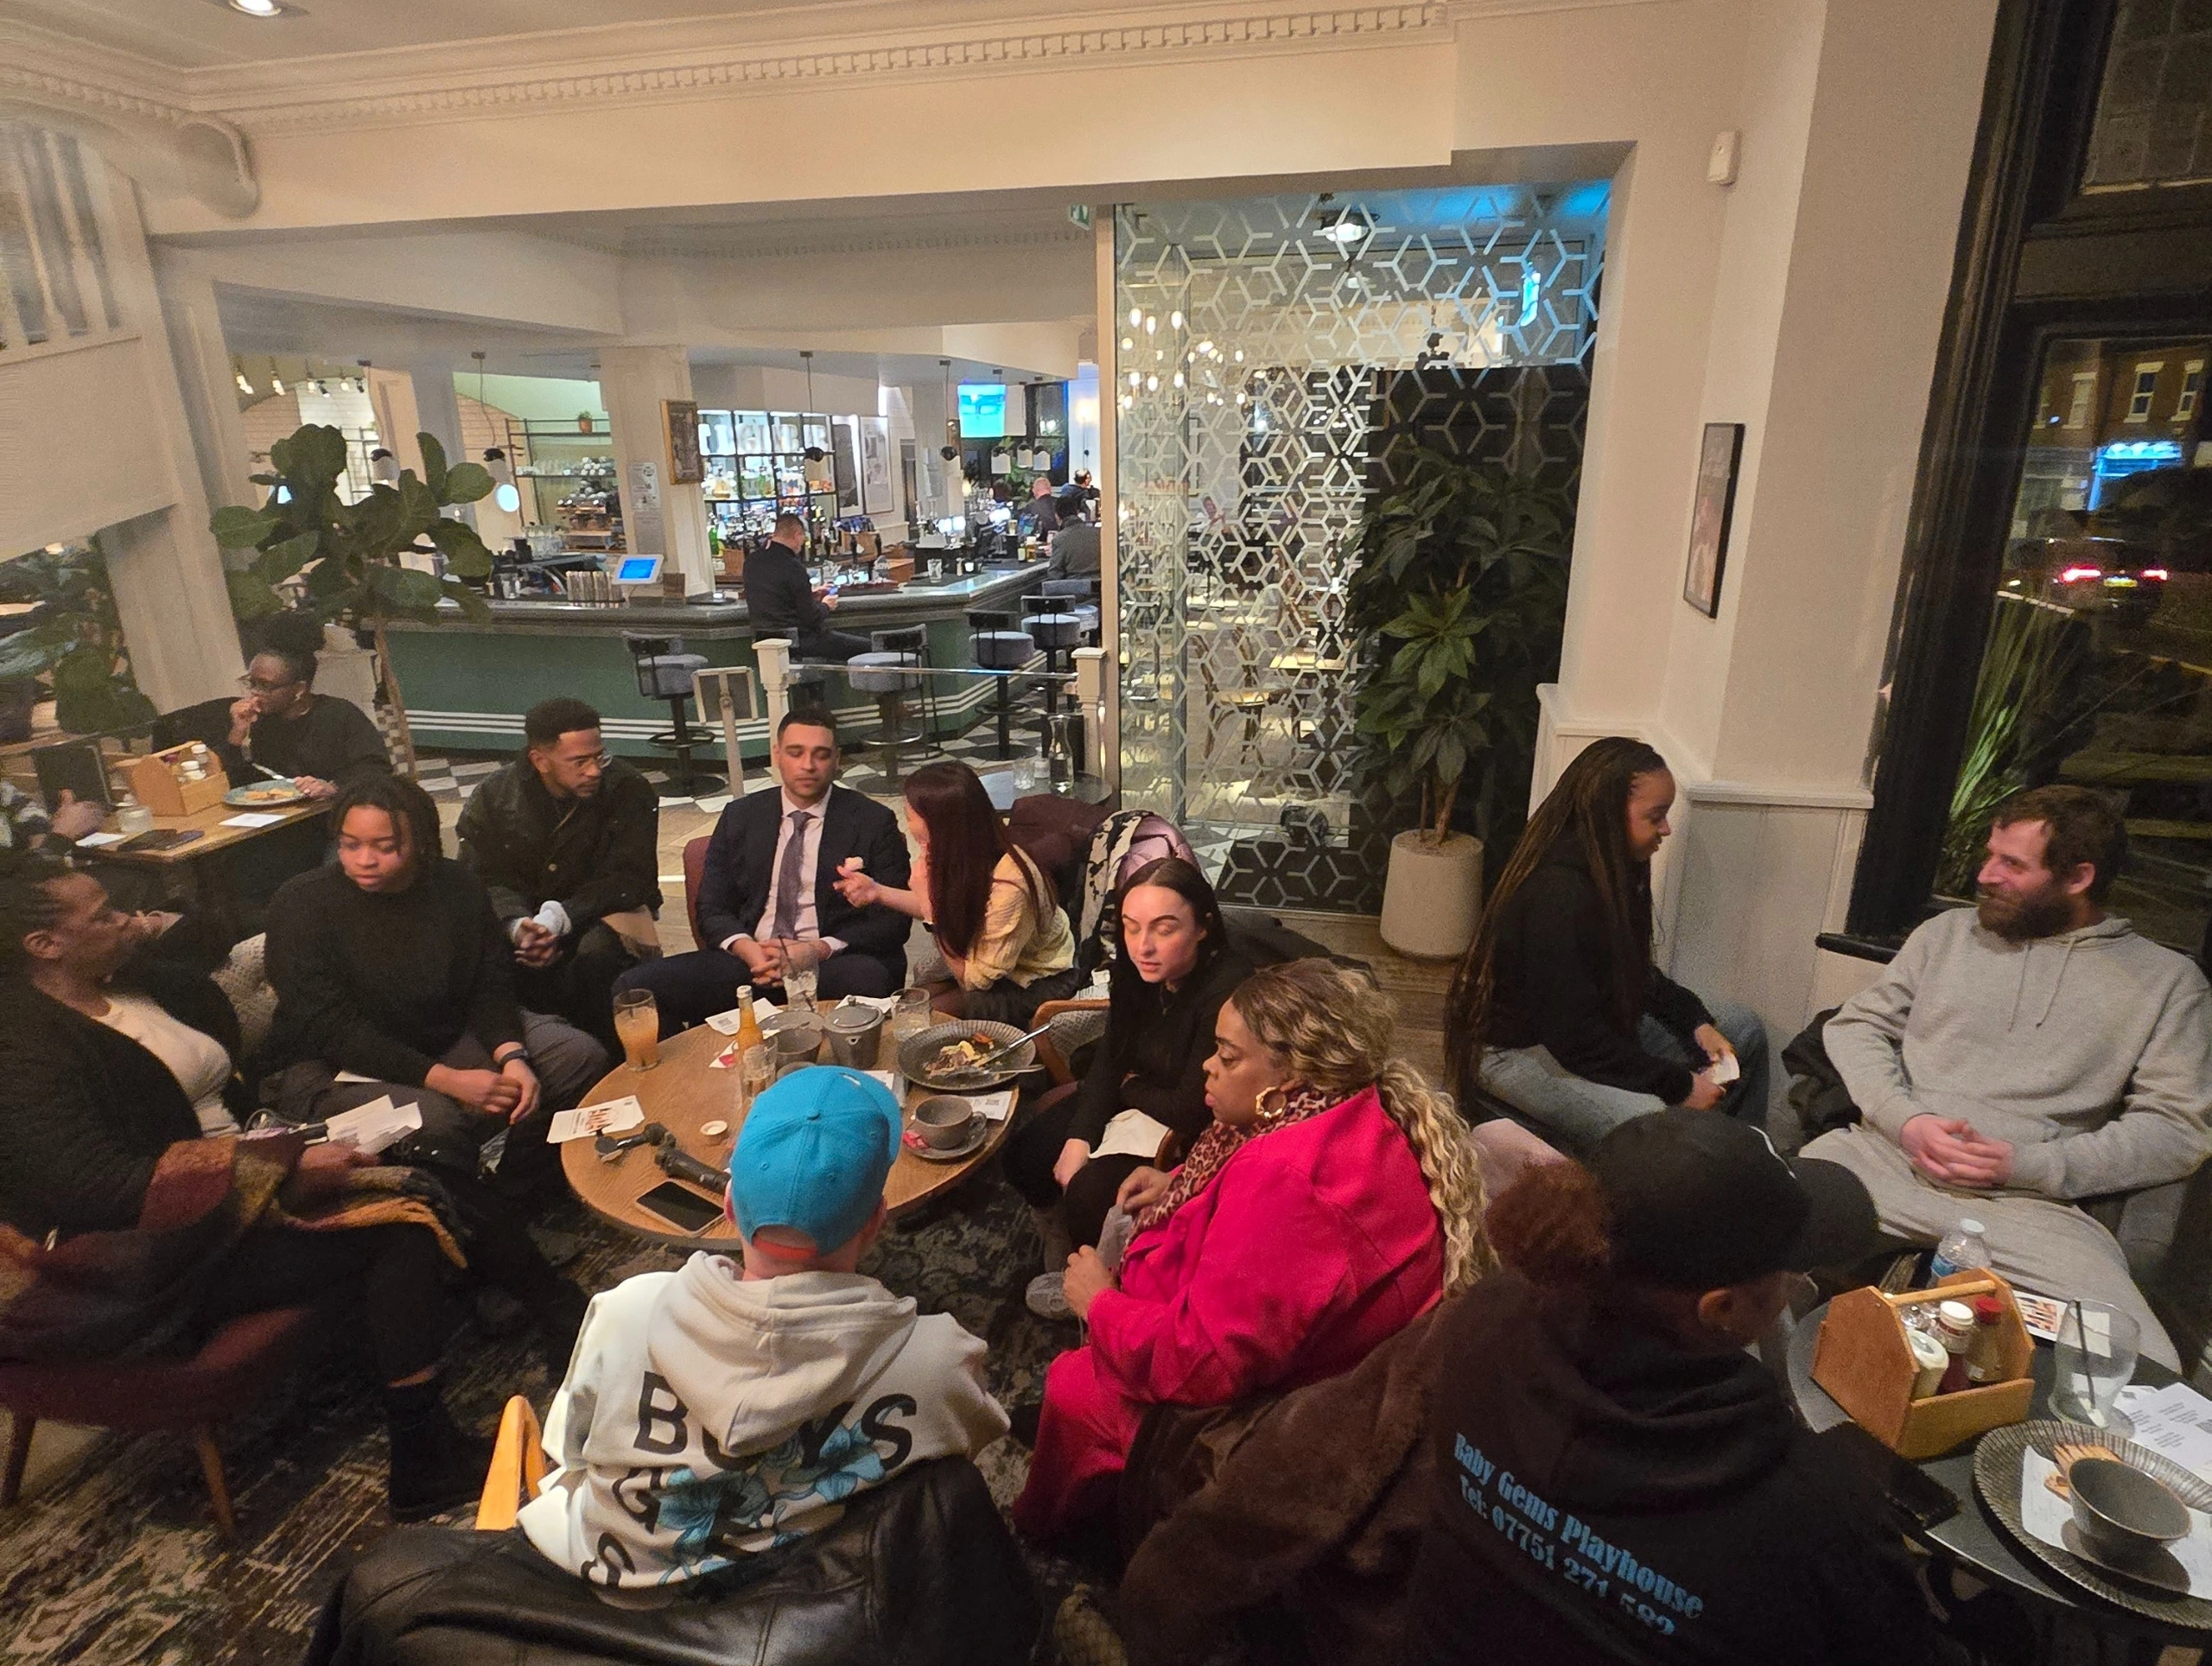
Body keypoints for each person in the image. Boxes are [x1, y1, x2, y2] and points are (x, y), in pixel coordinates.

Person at [0, 850, 583, 1523]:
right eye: (103, 915)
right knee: (398, 1223)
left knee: (423, 1156)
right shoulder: (24, 1047)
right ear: (43, 945)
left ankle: (561, 1312)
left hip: (242, 1167)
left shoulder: (128, 983)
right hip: (151, 1252)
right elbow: (92, 1188)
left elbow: (205, 944)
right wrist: (281, 1168)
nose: (127, 919)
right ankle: (423, 1454)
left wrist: (280, 1149)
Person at [1401, 1110, 1937, 1666]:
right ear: (1723, 1308)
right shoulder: (1816, 1508)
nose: (1792, 1283)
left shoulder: (1479, 1320)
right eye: (1785, 1269)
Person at [1011, 959, 1490, 1540]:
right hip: (1334, 1365)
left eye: (1228, 1057)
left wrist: (1101, 1303)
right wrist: (1182, 1184)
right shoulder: (1343, 1108)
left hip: (1287, 1419)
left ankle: (1066, 1531)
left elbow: (1205, 1363)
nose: (1209, 1068)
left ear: (1289, 1075)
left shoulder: (1285, 1181)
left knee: (1072, 1384)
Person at [518, 1065, 1007, 1591]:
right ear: (875, 1221)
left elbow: (572, 1449)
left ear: (728, 1206)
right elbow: (965, 1454)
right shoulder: (936, 1362)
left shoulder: (626, 1310)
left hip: (601, 1611)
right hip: (803, 1622)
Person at [1804, 785, 2212, 1370]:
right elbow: (1856, 1026)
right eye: (1990, 855)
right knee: (1728, 1234)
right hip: (1881, 1162)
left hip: (2029, 1207)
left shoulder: (2169, 983)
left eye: (2011, 864)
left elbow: (2177, 1131)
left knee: (2140, 1365)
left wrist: (2029, 1165)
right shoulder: (1943, 936)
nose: (1985, 875)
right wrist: (1906, 1119)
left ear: (2078, 878)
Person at [263, 775, 608, 1211]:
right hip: (328, 1067)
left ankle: (520, 1194)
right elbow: (333, 1030)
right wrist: (450, 1081)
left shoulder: (456, 885)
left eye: (385, 847)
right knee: (436, 1120)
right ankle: (474, 1224)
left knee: (578, 1057)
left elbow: (489, 981)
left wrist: (511, 1056)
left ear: (421, 842)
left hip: (439, 1036)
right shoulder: (301, 903)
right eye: (351, 845)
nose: (364, 860)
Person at [1448, 736, 1769, 1154]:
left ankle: (1737, 1165)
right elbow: (1576, 1041)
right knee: (1655, 1130)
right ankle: (1691, 1174)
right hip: (1517, 1051)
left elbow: (1634, 974)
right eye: (1655, 817)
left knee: (1742, 1028)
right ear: (1606, 816)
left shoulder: (1613, 869)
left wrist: (1696, 1022)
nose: (1666, 829)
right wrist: (1680, 1085)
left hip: (1583, 1033)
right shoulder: (1558, 895)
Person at [1002, 858, 1253, 1313]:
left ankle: (1099, 1288)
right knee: (1026, 1153)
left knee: (1092, 1191)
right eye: (1132, 927)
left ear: (1202, 927)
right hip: (1143, 1095)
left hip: (1192, 1125)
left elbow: (1190, 1108)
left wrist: (1126, 1085)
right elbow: (1110, 1057)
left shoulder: (1225, 990)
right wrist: (1081, 1135)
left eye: (1164, 928)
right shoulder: (1134, 970)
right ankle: (1061, 1235)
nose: (1144, 946)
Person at [615, 708, 911, 1033]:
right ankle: (681, 1077)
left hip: (831, 963)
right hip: (751, 961)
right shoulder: (740, 816)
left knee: (869, 977)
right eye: (795, 753)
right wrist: (749, 951)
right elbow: (712, 907)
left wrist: (816, 950)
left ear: (837, 759)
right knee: (637, 989)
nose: (807, 765)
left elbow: (893, 923)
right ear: (777, 754)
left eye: (821, 755)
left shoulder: (873, 821)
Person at [456, 697, 660, 1051]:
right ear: (540, 760)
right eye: (579, 762)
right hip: (523, 917)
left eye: (599, 757)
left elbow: (631, 878)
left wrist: (559, 919)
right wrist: (519, 927)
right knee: (483, 961)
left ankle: (613, 1057)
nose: (594, 771)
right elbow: (479, 879)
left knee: (596, 956)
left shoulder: (627, 787)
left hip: (602, 911)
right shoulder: (493, 797)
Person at [834, 759, 1077, 1024]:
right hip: (991, 965)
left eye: (910, 818)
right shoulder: (960, 853)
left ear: (941, 825)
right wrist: (876, 891)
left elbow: (975, 981)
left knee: (922, 1018)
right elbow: (947, 910)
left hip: (1038, 979)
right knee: (908, 1004)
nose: (909, 828)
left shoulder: (1010, 884)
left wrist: (931, 912)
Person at [157, 611, 391, 800]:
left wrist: (332, 787)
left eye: (266, 686)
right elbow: (240, 784)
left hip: (333, 814)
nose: (255, 693)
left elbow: (376, 768)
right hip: (279, 820)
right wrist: (236, 735)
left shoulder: (339, 715)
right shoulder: (262, 721)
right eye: (252, 683)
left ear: (299, 689)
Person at [741, 512, 868, 663]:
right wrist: (826, 605)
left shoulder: (752, 561)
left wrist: (810, 593)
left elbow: (776, 594)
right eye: (803, 539)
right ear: (797, 535)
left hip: (763, 642)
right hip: (799, 642)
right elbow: (811, 618)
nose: (802, 544)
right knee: (870, 648)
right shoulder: (793, 566)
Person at [1046, 490, 1101, 580]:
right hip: (1101, 587)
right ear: (1077, 512)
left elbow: (1054, 574)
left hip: (1074, 589)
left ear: (1057, 515)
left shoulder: (1060, 539)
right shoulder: (1097, 533)